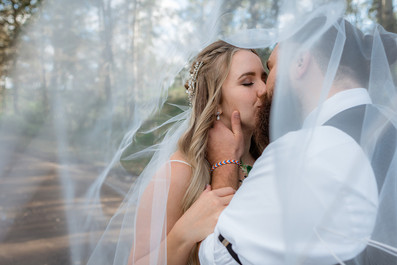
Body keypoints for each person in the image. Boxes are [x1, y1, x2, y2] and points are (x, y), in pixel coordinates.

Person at [199, 15, 397, 265]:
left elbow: (218, 258)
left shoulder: (303, 151)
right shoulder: (388, 130)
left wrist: (224, 164)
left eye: (270, 69)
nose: (264, 88)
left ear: (301, 61)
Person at [129, 40, 268, 265]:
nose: (263, 90)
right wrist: (183, 234)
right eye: (248, 82)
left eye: (264, 78)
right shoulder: (179, 172)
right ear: (215, 103)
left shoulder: (267, 159)